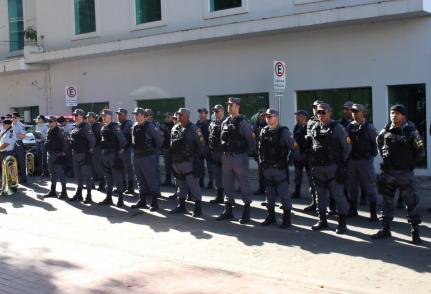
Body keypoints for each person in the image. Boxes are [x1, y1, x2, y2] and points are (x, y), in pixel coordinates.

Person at [372, 104, 424, 245]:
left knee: (411, 202)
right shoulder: (385, 131)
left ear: (403, 115)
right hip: (388, 173)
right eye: (392, 113)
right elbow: (379, 145)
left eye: (397, 113)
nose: (394, 115)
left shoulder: (411, 132)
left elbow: (420, 152)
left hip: (404, 173)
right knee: (386, 202)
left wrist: (408, 162)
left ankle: (415, 232)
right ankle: (385, 229)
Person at [309, 103, 351, 234]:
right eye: (318, 112)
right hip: (318, 167)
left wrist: (340, 163)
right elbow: (313, 145)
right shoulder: (315, 127)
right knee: (319, 196)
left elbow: (347, 147)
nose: (320, 115)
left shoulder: (338, 128)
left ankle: (342, 223)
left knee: (338, 195)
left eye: (323, 112)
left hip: (333, 167)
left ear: (329, 112)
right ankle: (322, 220)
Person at [216, 97, 256, 224]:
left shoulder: (243, 122)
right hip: (226, 156)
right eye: (227, 105)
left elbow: (251, 142)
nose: (229, 107)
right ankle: (228, 210)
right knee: (227, 184)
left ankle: (247, 211)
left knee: (244, 184)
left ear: (237, 106)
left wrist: (243, 153)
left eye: (231, 105)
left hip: (239, 157)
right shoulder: (225, 122)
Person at [258, 108, 294, 228]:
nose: (267, 119)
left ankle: (287, 218)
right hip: (267, 168)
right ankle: (271, 216)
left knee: (284, 194)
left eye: (270, 116)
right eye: (266, 117)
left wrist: (291, 158)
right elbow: (260, 149)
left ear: (276, 117)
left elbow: (293, 147)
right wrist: (261, 162)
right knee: (269, 194)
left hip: (280, 168)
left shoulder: (284, 131)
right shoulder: (264, 130)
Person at [169, 108, 204, 217]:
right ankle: (181, 205)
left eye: (181, 114)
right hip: (176, 162)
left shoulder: (194, 128)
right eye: (178, 114)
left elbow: (202, 143)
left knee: (193, 185)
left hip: (189, 162)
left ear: (187, 116)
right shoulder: (174, 127)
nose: (179, 116)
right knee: (180, 185)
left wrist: (196, 157)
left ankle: (198, 207)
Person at [346, 104, 378, 221]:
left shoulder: (369, 127)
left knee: (370, 186)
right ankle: (353, 209)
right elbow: (346, 142)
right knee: (352, 186)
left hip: (365, 160)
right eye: (353, 111)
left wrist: (371, 155)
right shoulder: (349, 126)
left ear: (362, 113)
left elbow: (376, 144)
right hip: (352, 161)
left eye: (356, 111)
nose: (354, 113)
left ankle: (373, 212)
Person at [130, 108, 161, 211]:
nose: (135, 116)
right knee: (139, 179)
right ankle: (142, 200)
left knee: (151, 179)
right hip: (137, 156)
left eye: (137, 114)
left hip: (147, 156)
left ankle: (155, 202)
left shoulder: (149, 126)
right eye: (134, 114)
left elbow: (157, 139)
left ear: (143, 115)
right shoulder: (134, 126)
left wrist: (153, 151)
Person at [98, 109, 127, 207]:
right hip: (105, 155)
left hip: (113, 155)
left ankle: (120, 199)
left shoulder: (114, 126)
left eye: (104, 115)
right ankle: (108, 198)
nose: (103, 117)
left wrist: (119, 151)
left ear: (110, 116)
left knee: (117, 177)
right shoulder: (103, 127)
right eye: (102, 116)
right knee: (108, 178)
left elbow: (123, 141)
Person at [69, 109, 95, 203]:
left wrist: (88, 153)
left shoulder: (86, 126)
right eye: (74, 115)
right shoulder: (75, 127)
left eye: (76, 115)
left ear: (81, 116)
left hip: (84, 154)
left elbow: (92, 141)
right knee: (78, 176)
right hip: (75, 153)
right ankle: (79, 194)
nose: (75, 116)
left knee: (87, 175)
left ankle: (88, 195)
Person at [304, 100, 323, 212]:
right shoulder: (310, 121)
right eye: (313, 107)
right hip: (311, 154)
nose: (315, 109)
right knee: (312, 180)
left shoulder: (325, 120)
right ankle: (314, 202)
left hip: (322, 156)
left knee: (326, 182)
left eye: (317, 107)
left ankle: (331, 205)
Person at [43, 116, 68, 199]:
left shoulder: (59, 131)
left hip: (58, 154)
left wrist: (63, 153)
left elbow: (64, 143)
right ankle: (52, 191)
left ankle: (64, 192)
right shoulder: (49, 130)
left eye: (50, 121)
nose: (49, 123)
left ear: (55, 122)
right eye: (48, 122)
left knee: (60, 173)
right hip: (50, 154)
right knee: (52, 173)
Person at [291, 110, 313, 200]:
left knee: (310, 176)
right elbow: (294, 141)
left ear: (303, 117)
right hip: (298, 155)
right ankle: (297, 192)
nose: (296, 117)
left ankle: (314, 195)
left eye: (298, 116)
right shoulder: (296, 126)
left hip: (307, 154)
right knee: (297, 175)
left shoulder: (309, 126)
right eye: (296, 116)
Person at [208, 104, 225, 204]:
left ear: (222, 111)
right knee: (217, 175)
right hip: (214, 153)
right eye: (214, 111)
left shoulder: (227, 123)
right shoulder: (212, 124)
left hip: (224, 153)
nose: (215, 113)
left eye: (217, 111)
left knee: (226, 176)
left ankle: (228, 198)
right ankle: (219, 196)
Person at [115, 108, 134, 194]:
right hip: (119, 150)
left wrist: (124, 148)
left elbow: (131, 138)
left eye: (120, 114)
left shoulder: (129, 124)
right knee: (120, 169)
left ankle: (130, 188)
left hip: (126, 150)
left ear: (125, 115)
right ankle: (122, 186)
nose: (118, 116)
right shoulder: (118, 124)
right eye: (117, 114)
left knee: (128, 169)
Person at [86, 112, 105, 191]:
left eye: (90, 117)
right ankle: (92, 183)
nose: (88, 119)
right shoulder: (88, 126)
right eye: (87, 117)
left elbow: (98, 138)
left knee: (98, 167)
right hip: (89, 149)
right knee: (91, 167)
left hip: (97, 149)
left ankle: (102, 183)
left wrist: (92, 147)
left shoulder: (98, 126)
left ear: (94, 118)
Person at [196, 108, 213, 189]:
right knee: (199, 166)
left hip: (207, 147)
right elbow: (198, 135)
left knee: (210, 166)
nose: (200, 114)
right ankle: (201, 181)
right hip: (200, 147)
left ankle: (211, 182)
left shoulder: (209, 123)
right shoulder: (197, 123)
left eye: (202, 113)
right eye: (199, 113)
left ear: (206, 114)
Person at [11, 112, 27, 184]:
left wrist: (14, 135)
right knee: (12, 161)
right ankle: (13, 178)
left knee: (21, 161)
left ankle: (24, 178)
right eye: (12, 117)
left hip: (18, 144)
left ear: (18, 118)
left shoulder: (21, 125)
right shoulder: (11, 124)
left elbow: (23, 136)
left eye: (14, 117)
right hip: (11, 144)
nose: (13, 118)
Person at [161, 112, 175, 186]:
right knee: (167, 165)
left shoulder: (174, 125)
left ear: (172, 117)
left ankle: (175, 181)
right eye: (165, 117)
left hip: (173, 149)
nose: (166, 118)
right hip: (166, 148)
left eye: (167, 117)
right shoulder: (163, 126)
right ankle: (168, 180)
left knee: (174, 165)